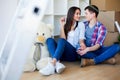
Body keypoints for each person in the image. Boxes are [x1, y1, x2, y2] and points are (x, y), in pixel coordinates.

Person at [39, 6, 86, 75]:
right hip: (62, 53)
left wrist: (82, 44)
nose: (79, 16)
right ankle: (57, 63)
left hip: (72, 53)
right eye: (77, 13)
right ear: (71, 14)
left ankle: (53, 63)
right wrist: (62, 25)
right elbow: (63, 38)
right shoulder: (66, 25)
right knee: (49, 40)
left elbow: (81, 38)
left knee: (61, 40)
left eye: (79, 13)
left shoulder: (81, 24)